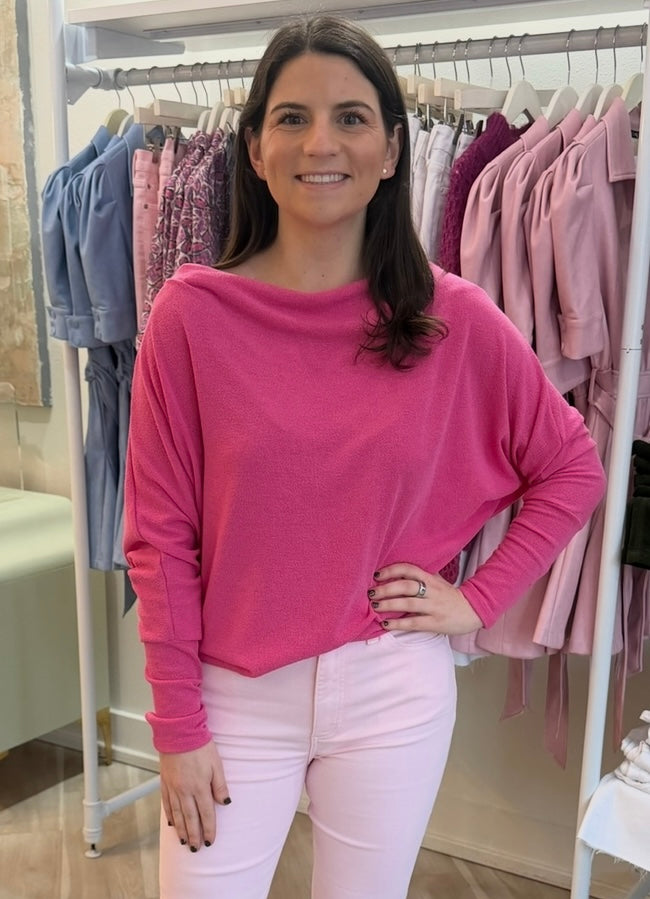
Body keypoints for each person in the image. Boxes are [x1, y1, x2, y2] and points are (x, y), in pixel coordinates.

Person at [123, 15, 606, 899]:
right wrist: (176, 725)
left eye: (351, 118)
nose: (321, 143)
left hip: (392, 686)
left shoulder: (452, 318)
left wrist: (478, 600)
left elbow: (573, 467)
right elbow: (159, 540)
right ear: (255, 149)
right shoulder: (190, 319)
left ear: (391, 150)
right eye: (293, 117)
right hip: (232, 695)